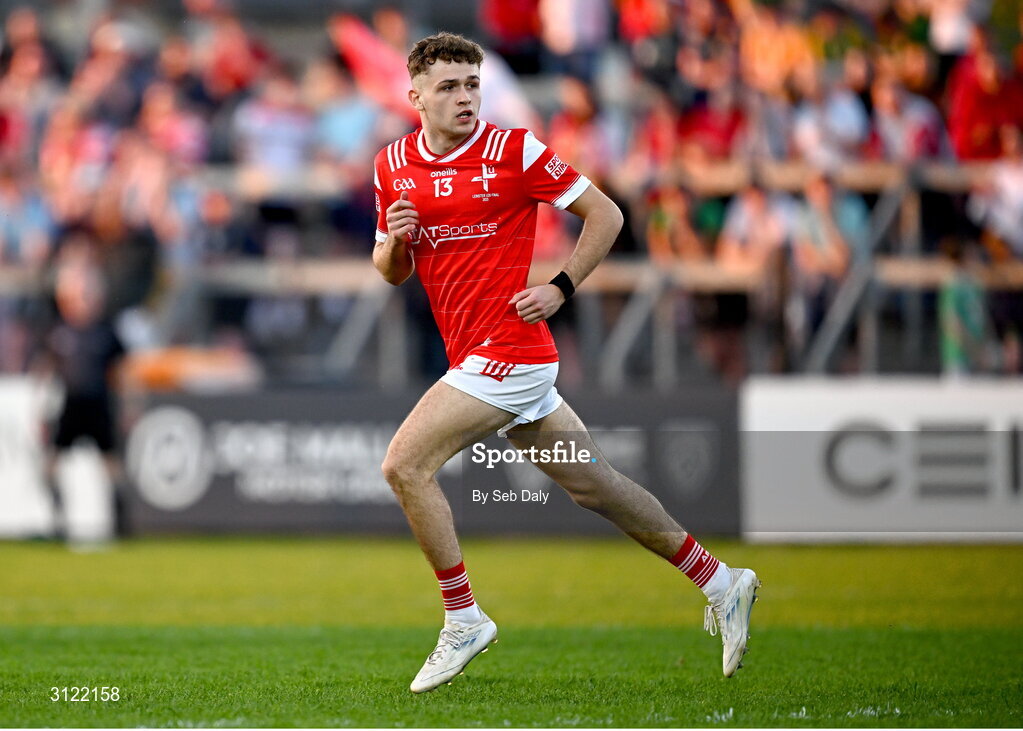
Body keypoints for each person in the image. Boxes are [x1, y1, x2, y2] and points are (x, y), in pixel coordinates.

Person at [372, 32, 760, 694]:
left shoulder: (513, 149)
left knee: (404, 465)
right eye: (449, 87)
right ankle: (722, 581)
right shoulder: (391, 167)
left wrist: (561, 286)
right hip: (472, 353)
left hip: (510, 352)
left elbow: (604, 214)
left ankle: (462, 616)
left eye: (472, 84)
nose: (465, 97)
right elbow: (390, 270)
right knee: (595, 485)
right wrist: (394, 240)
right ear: (415, 96)